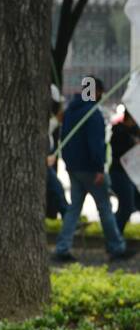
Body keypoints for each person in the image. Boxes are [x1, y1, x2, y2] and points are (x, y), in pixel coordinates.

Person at [56, 78, 136, 262]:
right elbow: (96, 144)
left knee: (74, 209)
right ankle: (116, 247)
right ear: (97, 91)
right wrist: (99, 168)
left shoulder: (71, 111)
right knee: (105, 208)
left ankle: (62, 247)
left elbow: (64, 139)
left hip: (74, 167)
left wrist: (69, 163)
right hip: (91, 169)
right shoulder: (92, 113)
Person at [111, 109, 139, 229]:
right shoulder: (119, 132)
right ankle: (115, 239)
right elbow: (119, 152)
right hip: (120, 173)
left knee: (127, 206)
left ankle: (116, 237)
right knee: (127, 207)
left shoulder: (133, 131)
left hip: (130, 174)